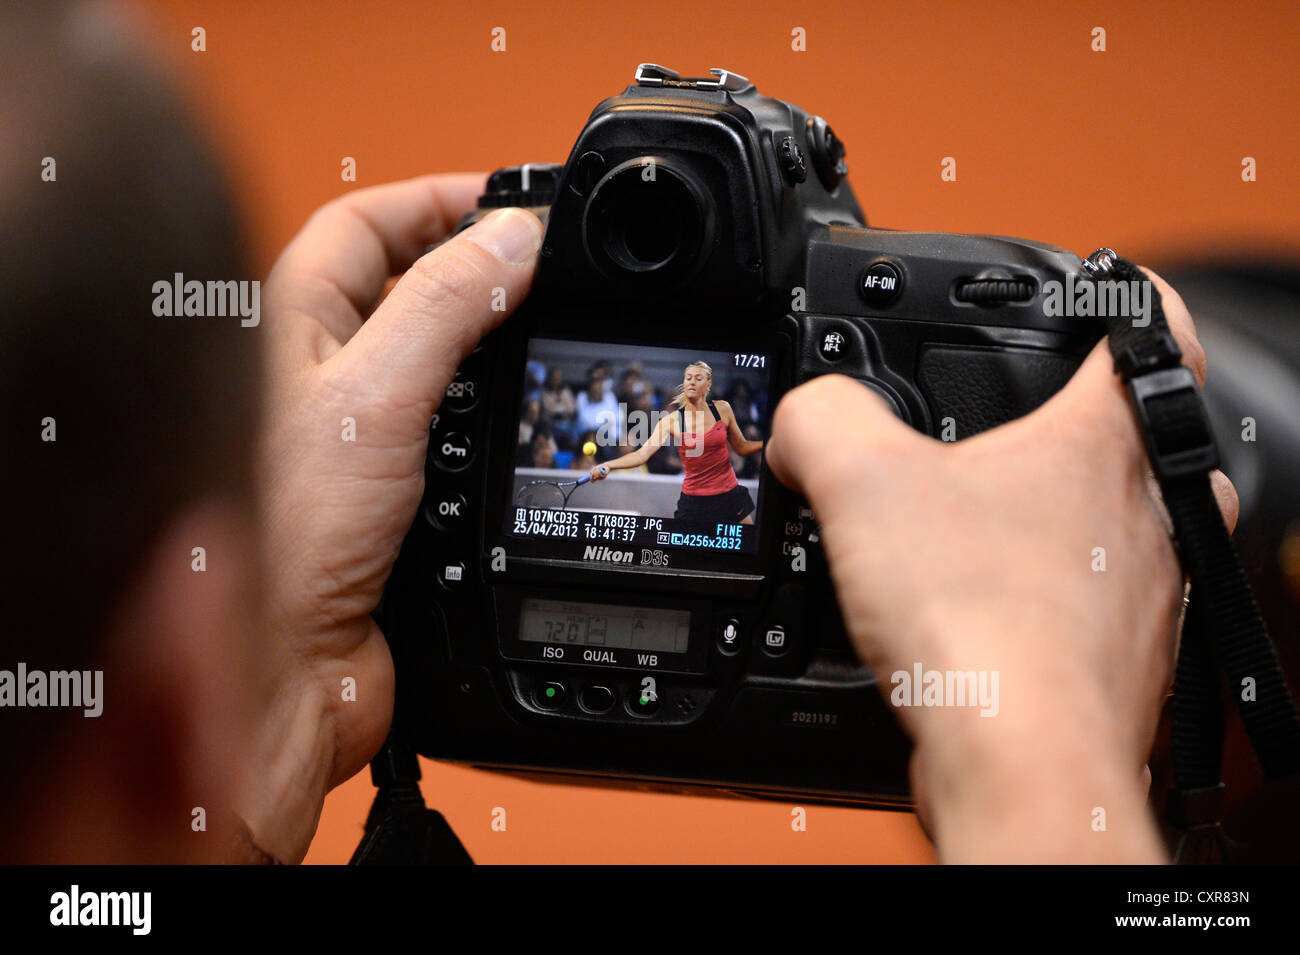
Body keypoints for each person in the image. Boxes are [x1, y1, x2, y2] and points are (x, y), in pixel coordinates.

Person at [3, 2, 1241, 866]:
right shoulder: (663, 426)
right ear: (181, 677)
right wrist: (1042, 744)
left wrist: (275, 682)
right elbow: (639, 458)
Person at [590, 362, 764, 525]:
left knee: (745, 544)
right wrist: (609, 465)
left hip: (729, 494)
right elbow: (641, 454)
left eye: (698, 378)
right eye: (688, 378)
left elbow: (741, 446)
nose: (692, 382)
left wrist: (767, 444)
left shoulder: (723, 409)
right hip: (694, 500)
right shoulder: (670, 421)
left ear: (708, 384)